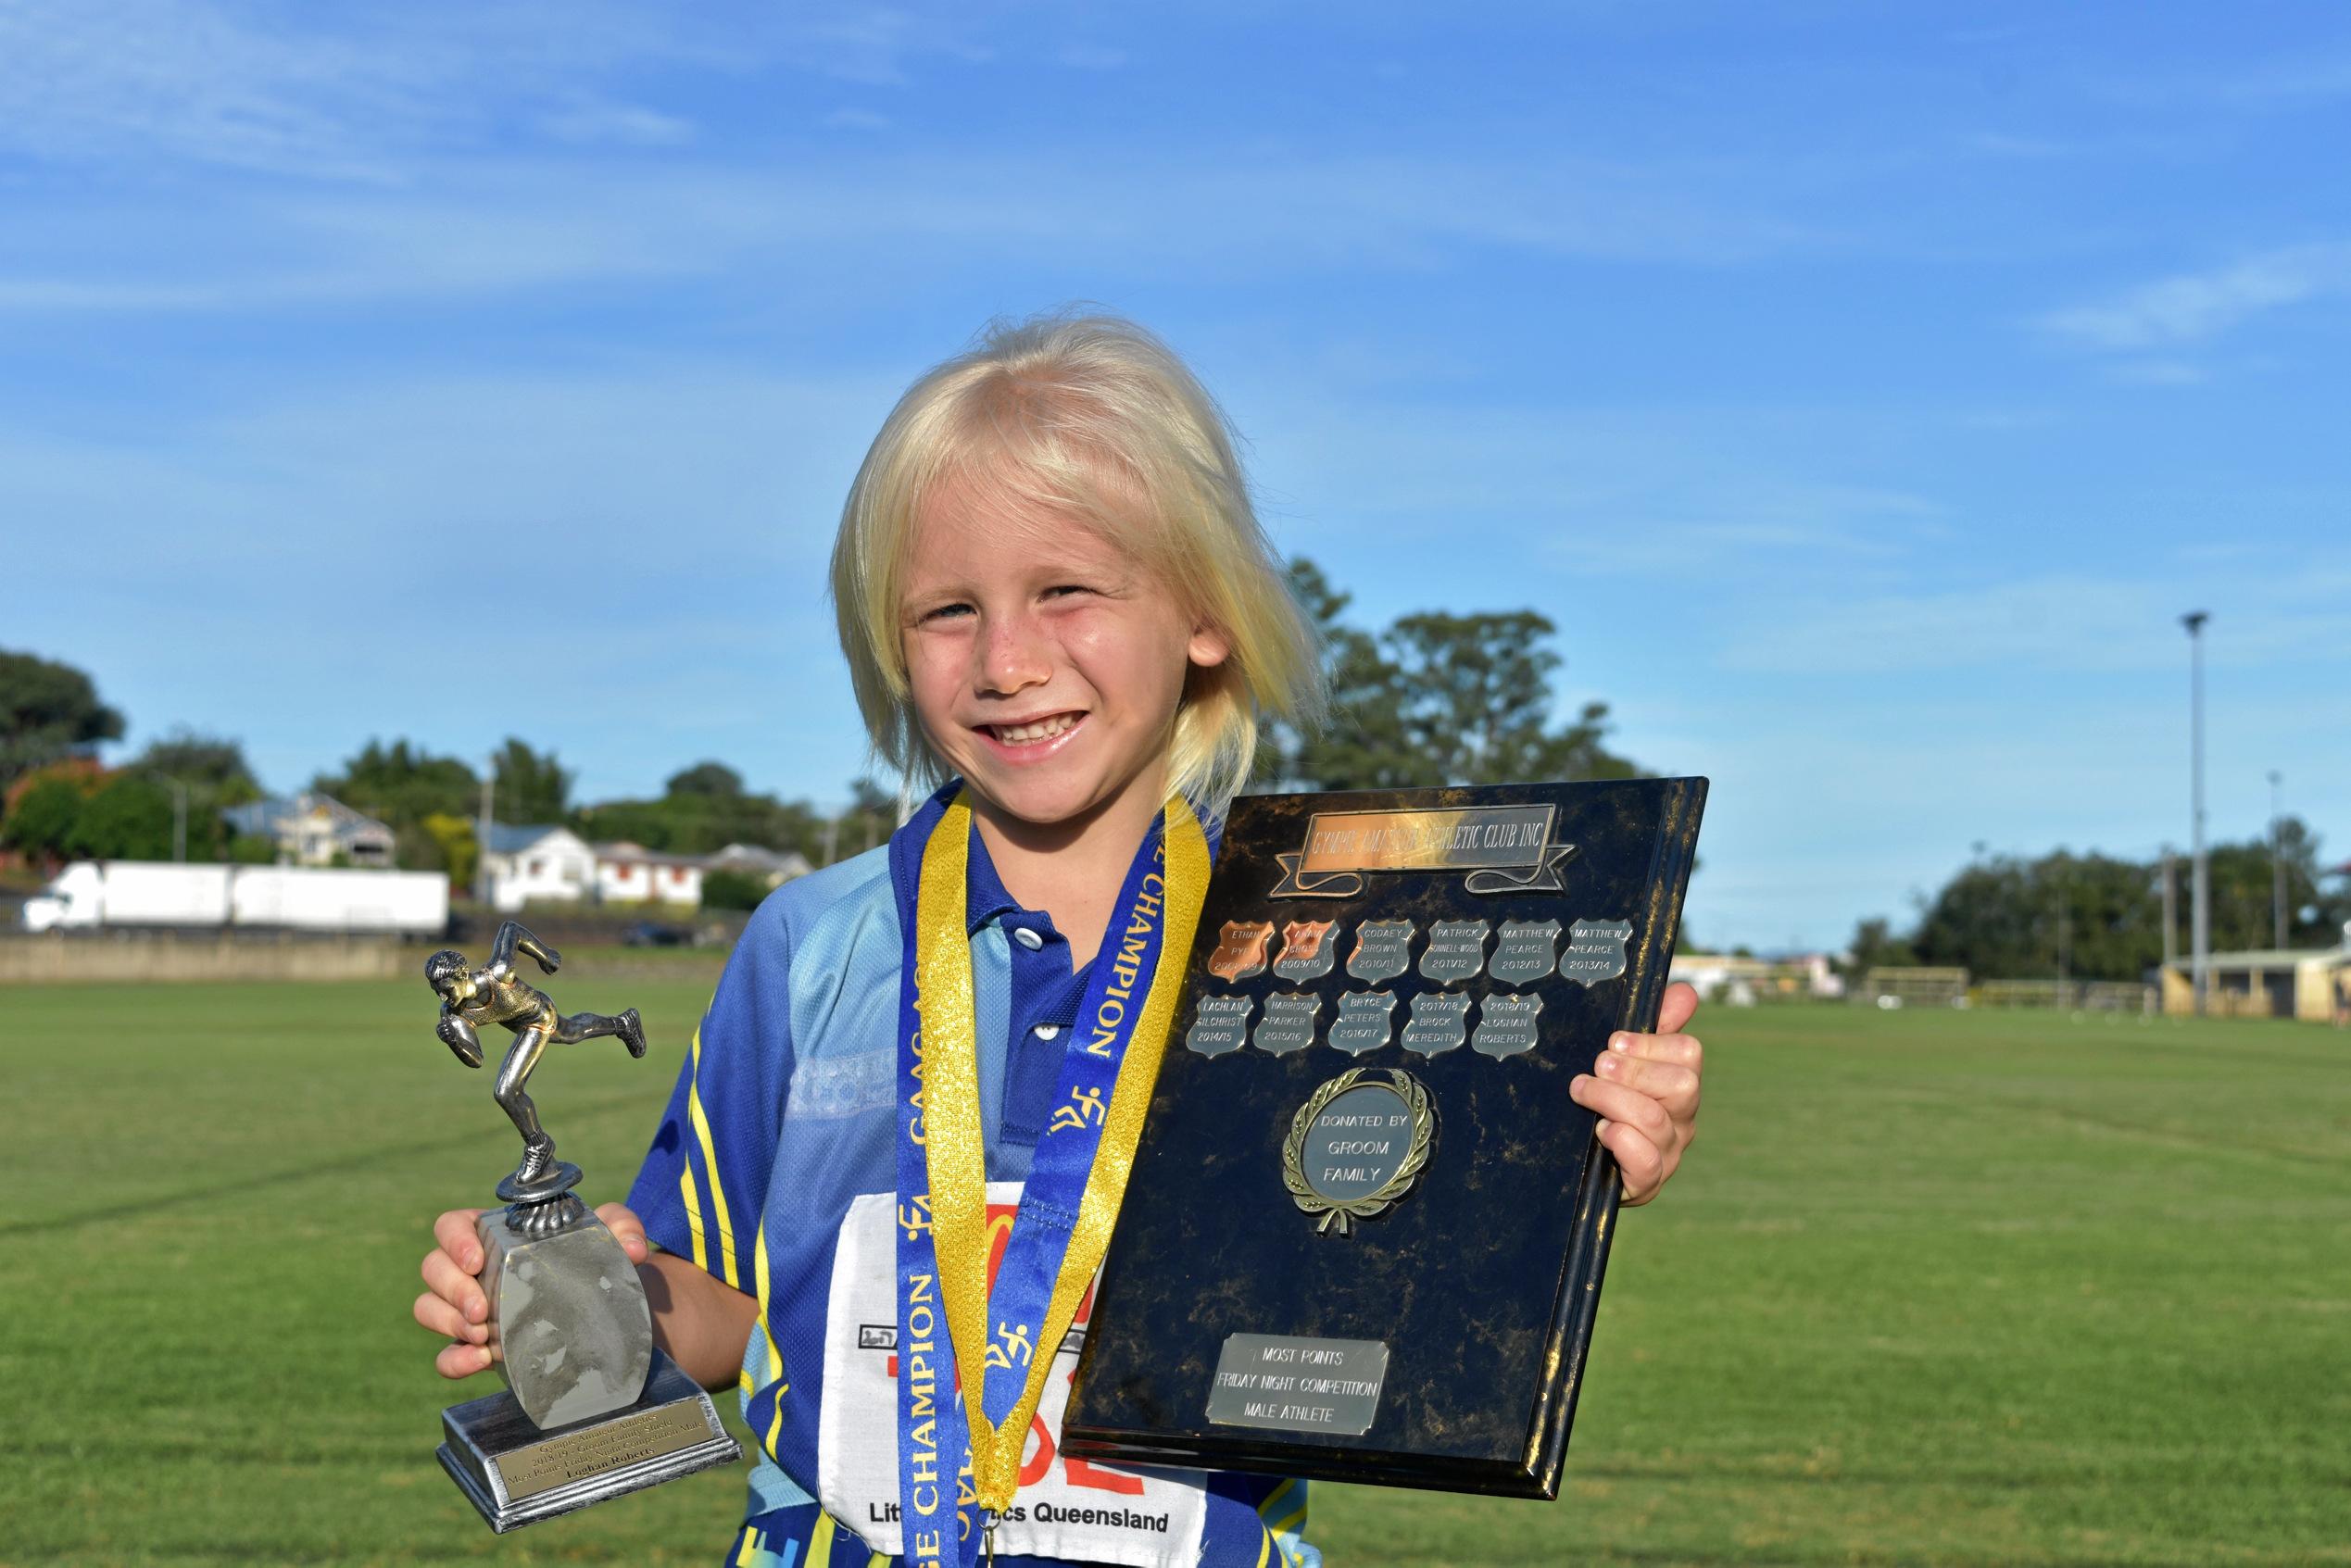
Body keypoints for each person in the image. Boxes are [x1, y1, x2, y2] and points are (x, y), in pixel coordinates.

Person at [413, 312, 1706, 1567]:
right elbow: (725, 1312)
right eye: (945, 610)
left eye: (1066, 590)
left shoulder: (1322, 952)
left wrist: (1576, 1160)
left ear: (1203, 614)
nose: (1007, 659)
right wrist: (588, 1299)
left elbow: (1403, 1261)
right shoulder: (806, 946)